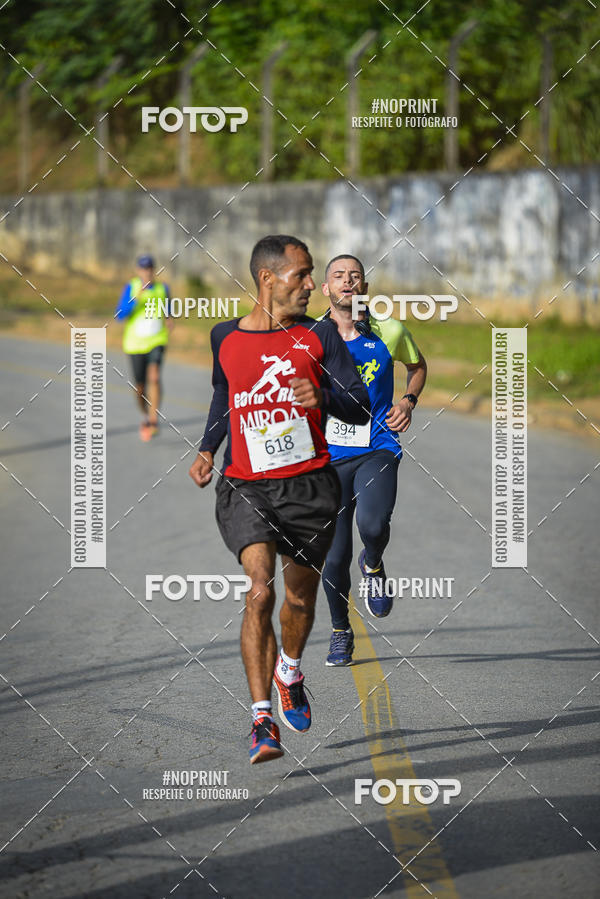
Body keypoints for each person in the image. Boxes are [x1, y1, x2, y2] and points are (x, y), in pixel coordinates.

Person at [188, 235, 370, 764]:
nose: (312, 284)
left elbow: (359, 406)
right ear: (268, 279)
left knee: (298, 600)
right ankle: (262, 720)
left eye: (313, 274)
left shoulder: (320, 336)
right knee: (260, 592)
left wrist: (327, 396)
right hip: (246, 484)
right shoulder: (224, 336)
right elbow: (226, 394)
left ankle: (289, 670)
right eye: (303, 275)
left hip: (310, 485)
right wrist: (206, 447)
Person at [320, 255, 427, 666]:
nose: (348, 282)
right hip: (325, 458)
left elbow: (417, 366)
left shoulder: (389, 330)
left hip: (377, 445)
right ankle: (340, 632)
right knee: (333, 557)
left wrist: (408, 399)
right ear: (326, 288)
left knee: (373, 524)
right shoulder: (309, 337)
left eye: (355, 276)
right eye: (338, 277)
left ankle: (375, 562)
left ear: (364, 287)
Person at [115, 255, 171, 441]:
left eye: (149, 269)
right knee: (139, 387)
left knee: (154, 376)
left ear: (153, 270)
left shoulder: (163, 288)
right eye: (143, 269)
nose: (146, 272)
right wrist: (136, 298)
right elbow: (120, 314)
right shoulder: (131, 287)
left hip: (157, 340)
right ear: (138, 270)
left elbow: (169, 309)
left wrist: (170, 318)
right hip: (135, 344)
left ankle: (154, 419)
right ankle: (146, 415)